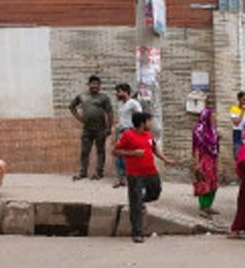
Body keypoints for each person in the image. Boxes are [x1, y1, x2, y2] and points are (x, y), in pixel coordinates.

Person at [112, 112, 174, 243]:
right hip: (135, 175)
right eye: (149, 121)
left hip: (151, 172)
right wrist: (132, 153)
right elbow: (115, 151)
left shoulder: (148, 135)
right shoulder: (127, 135)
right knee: (135, 203)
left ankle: (140, 201)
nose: (151, 124)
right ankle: (137, 233)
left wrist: (165, 159)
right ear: (142, 123)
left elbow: (154, 149)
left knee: (155, 192)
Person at [70, 75, 113, 181]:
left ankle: (99, 172)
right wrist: (79, 118)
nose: (95, 86)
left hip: (100, 129)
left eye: (97, 84)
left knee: (100, 151)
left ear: (100, 86)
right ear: (88, 85)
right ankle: (83, 172)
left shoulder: (104, 97)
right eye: (92, 84)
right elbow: (72, 107)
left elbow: (110, 112)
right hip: (87, 129)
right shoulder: (82, 96)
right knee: (84, 151)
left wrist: (109, 128)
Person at [113, 83, 142, 188]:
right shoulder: (121, 105)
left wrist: (136, 131)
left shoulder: (133, 103)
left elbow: (139, 116)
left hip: (129, 132)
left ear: (125, 92)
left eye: (118, 91)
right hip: (121, 132)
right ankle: (121, 178)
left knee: (128, 156)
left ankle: (131, 178)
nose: (116, 94)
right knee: (119, 156)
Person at [192, 107, 220, 217]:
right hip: (204, 160)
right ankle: (203, 207)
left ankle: (209, 205)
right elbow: (197, 148)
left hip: (213, 160)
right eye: (213, 115)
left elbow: (213, 144)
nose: (215, 117)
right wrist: (197, 163)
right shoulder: (199, 130)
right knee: (204, 183)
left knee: (213, 183)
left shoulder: (212, 129)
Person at [229, 92, 245, 159]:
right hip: (237, 132)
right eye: (243, 100)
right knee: (237, 153)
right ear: (238, 99)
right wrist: (242, 111)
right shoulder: (234, 109)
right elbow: (236, 122)